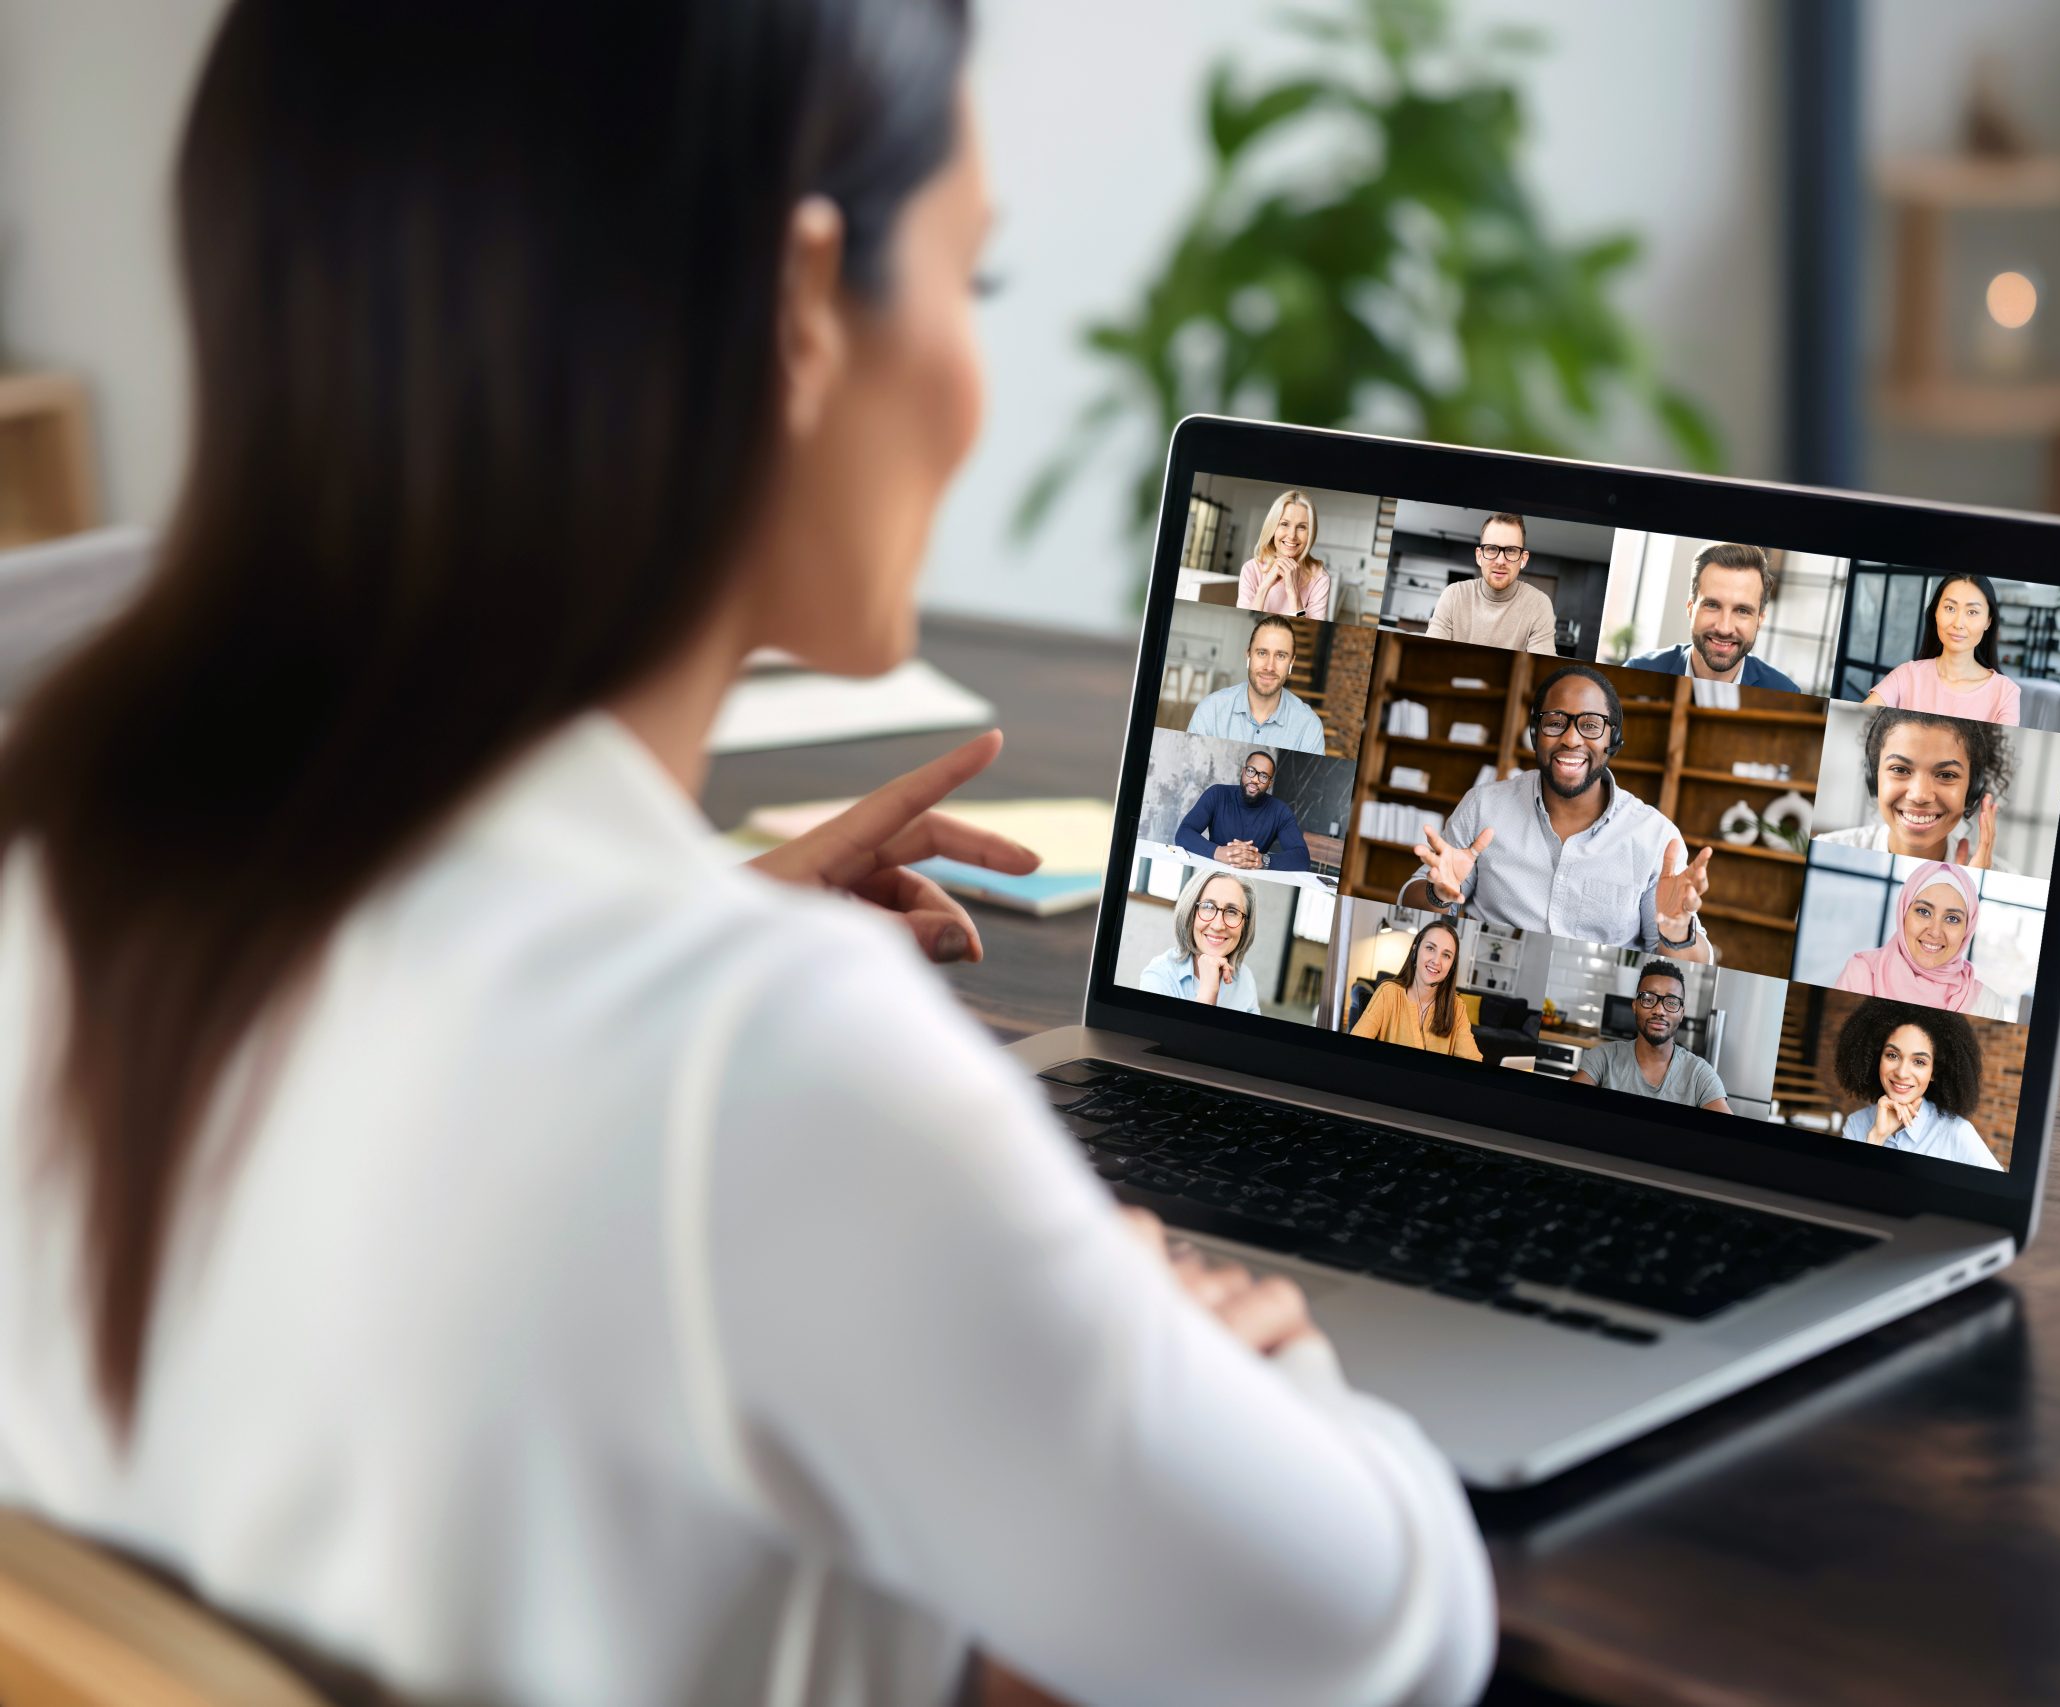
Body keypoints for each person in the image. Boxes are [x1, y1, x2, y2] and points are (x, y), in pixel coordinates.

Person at [0, 6, 1495, 1705]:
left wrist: (669, 942)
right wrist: (1247, 1352)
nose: (973, 386)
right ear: (797, 306)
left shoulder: (69, 870)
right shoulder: (764, 1073)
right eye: (973, 283)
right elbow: (1387, 1637)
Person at [1404, 665, 1716, 963]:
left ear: (1613, 739)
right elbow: (1412, 903)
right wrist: (1437, 894)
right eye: (1555, 722)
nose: (1571, 738)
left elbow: (1691, 963)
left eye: (1590, 725)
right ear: (1535, 732)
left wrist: (1678, 934)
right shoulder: (1482, 806)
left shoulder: (1657, 838)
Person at [1816, 706, 2013, 870]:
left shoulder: (2003, 875)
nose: (1920, 795)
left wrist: (1972, 889)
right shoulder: (1824, 853)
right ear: (1873, 777)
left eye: (1946, 775)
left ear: (1973, 789)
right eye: (1900, 769)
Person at [1832, 1000, 2001, 1168]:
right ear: (1877, 1057)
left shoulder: (1957, 1133)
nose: (1902, 1073)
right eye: (1892, 1055)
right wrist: (1876, 1138)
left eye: (1919, 1061)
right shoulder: (1857, 1125)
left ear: (1934, 1071)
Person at [1621, 543, 1802, 692]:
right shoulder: (1635, 672)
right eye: (1712, 605)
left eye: (1742, 611)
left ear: (1760, 619)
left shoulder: (1787, 691)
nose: (1724, 628)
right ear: (1691, 608)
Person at [1834, 861, 2002, 1017]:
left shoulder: (1986, 1004)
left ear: (1968, 928)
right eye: (1923, 911)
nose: (1935, 932)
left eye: (1952, 918)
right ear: (1903, 913)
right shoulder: (1861, 971)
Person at [1570, 963, 1734, 1111]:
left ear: (1682, 1013)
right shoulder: (1603, 1058)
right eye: (1648, 999)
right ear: (1635, 1006)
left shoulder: (1700, 1074)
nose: (1659, 1010)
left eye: (1671, 1002)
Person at [1864, 574, 2022, 726]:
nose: (1958, 623)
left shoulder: (2006, 694)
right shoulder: (1907, 675)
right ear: (1936, 613)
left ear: (1988, 621)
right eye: (1950, 608)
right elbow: (1856, 722)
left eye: (1972, 612)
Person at [1185, 612, 1328, 753]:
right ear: (1248, 655)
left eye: (1280, 656)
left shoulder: (1309, 727)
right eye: (1262, 653)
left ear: (1291, 662)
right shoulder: (1211, 710)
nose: (1270, 667)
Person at [1425, 512, 1556, 654]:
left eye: (1511, 550)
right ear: (1479, 556)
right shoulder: (1454, 595)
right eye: (1492, 549)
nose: (1500, 561)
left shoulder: (1539, 605)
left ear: (1523, 559)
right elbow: (1430, 655)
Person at [1137, 867, 1265, 1013]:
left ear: (1245, 925)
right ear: (1190, 912)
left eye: (1232, 911)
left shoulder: (1245, 978)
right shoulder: (1159, 976)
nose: (1218, 925)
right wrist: (1207, 994)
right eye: (1208, 906)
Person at [1350, 919, 1482, 1059]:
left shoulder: (1457, 1008)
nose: (1436, 961)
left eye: (1446, 955)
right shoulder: (1388, 993)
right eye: (1430, 948)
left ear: (1452, 966)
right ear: (1415, 951)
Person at [1173, 748, 1310, 873]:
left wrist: (1261, 860)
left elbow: (1302, 859)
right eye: (1251, 771)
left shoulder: (1280, 812)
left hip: (1253, 879)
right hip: (1212, 872)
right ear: (1243, 771)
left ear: (1270, 783)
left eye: (1263, 776)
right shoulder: (1217, 794)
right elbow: (1183, 834)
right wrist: (1219, 852)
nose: (1255, 780)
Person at [1235, 488, 1332, 619]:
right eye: (1284, 524)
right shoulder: (1250, 569)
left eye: (1302, 527)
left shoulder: (1320, 579)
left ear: (1311, 533)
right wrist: (1264, 587)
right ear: (1273, 527)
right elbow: (1245, 620)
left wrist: (1293, 592)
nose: (1292, 536)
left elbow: (1302, 632)